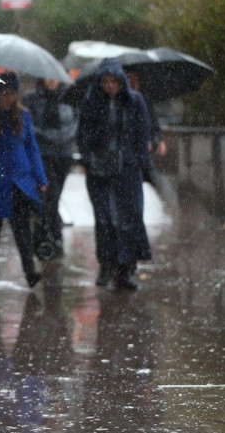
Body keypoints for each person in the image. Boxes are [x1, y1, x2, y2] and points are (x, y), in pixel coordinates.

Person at [76, 58, 152, 290]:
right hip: (99, 171)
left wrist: (138, 161)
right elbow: (83, 135)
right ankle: (106, 264)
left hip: (127, 170)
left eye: (114, 81)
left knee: (128, 219)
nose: (110, 86)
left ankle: (125, 270)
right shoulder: (92, 102)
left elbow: (142, 132)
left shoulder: (134, 102)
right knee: (105, 219)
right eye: (106, 81)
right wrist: (89, 158)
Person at [0, 72, 48, 288]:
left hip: (19, 181)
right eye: (3, 93)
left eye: (11, 93)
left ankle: (30, 272)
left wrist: (40, 177)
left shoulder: (23, 115)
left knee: (22, 231)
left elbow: (31, 146)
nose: (7, 98)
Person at [22, 79, 78, 260]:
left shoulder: (70, 97)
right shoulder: (32, 99)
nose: (51, 83)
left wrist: (61, 137)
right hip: (43, 154)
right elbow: (29, 126)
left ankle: (49, 233)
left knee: (56, 195)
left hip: (63, 154)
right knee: (50, 194)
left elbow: (75, 122)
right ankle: (50, 235)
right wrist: (48, 136)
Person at [125, 68, 167, 183]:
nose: (133, 84)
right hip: (128, 153)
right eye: (130, 80)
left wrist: (158, 141)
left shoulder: (145, 101)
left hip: (144, 153)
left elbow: (153, 124)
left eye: (135, 80)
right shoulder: (121, 103)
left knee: (149, 179)